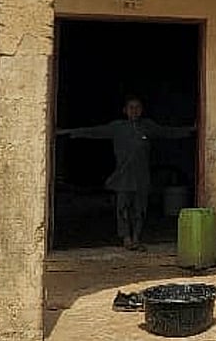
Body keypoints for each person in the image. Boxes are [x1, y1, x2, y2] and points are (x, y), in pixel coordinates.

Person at [57, 95, 195, 251]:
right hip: (123, 176)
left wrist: (190, 131)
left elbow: (167, 132)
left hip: (142, 177)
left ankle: (136, 237)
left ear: (142, 110)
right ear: (125, 110)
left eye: (137, 107)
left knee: (140, 209)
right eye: (131, 107)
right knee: (122, 209)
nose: (134, 111)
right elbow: (94, 131)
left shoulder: (148, 127)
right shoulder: (117, 127)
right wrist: (68, 132)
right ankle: (126, 238)